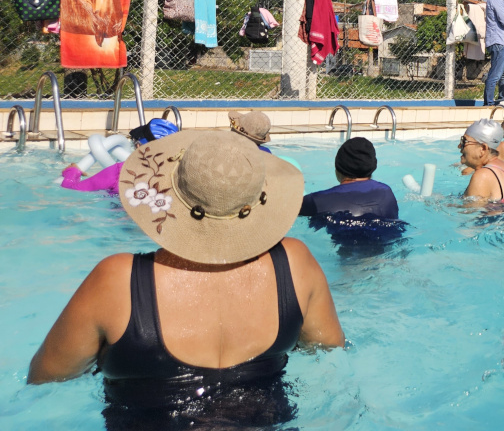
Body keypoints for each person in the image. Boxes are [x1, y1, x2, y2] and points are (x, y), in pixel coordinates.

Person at [30, 132, 344, 429]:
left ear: (165, 193)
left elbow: (46, 380)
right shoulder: (294, 262)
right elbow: (329, 351)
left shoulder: (116, 280)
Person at [300, 137, 403, 249]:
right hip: (386, 253)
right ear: (372, 168)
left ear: (338, 170)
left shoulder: (317, 200)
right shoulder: (386, 193)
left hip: (346, 256)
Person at [61, 118, 180, 195]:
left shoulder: (119, 173)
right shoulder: (180, 175)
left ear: (139, 147)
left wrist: (72, 172)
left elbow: (71, 189)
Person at [458, 119, 504, 203]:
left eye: (464, 141)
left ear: (483, 149)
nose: (459, 146)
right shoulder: (503, 166)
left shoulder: (482, 176)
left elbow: (468, 213)